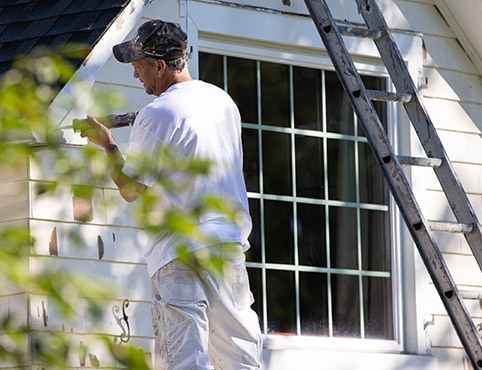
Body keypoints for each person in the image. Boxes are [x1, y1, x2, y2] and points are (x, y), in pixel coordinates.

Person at [80, 19, 263, 369]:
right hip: (227, 247)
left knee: (184, 360)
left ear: (160, 66)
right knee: (240, 357)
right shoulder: (223, 102)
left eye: (139, 67)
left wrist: (108, 143)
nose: (137, 76)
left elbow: (131, 188)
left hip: (179, 253)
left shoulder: (158, 113)